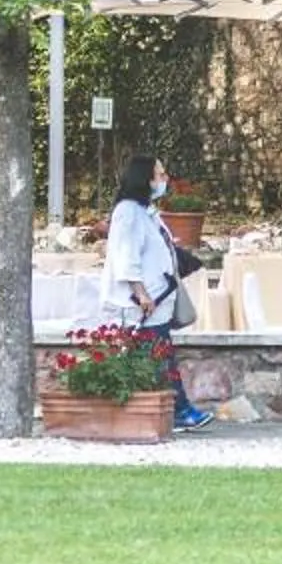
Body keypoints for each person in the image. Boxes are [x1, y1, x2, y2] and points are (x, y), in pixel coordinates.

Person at [102, 153, 209, 431]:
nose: (165, 180)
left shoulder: (145, 211)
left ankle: (171, 410)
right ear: (145, 178)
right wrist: (141, 292)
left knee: (159, 355)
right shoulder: (128, 212)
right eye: (160, 175)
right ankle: (178, 411)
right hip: (146, 301)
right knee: (158, 355)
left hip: (159, 296)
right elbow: (127, 256)